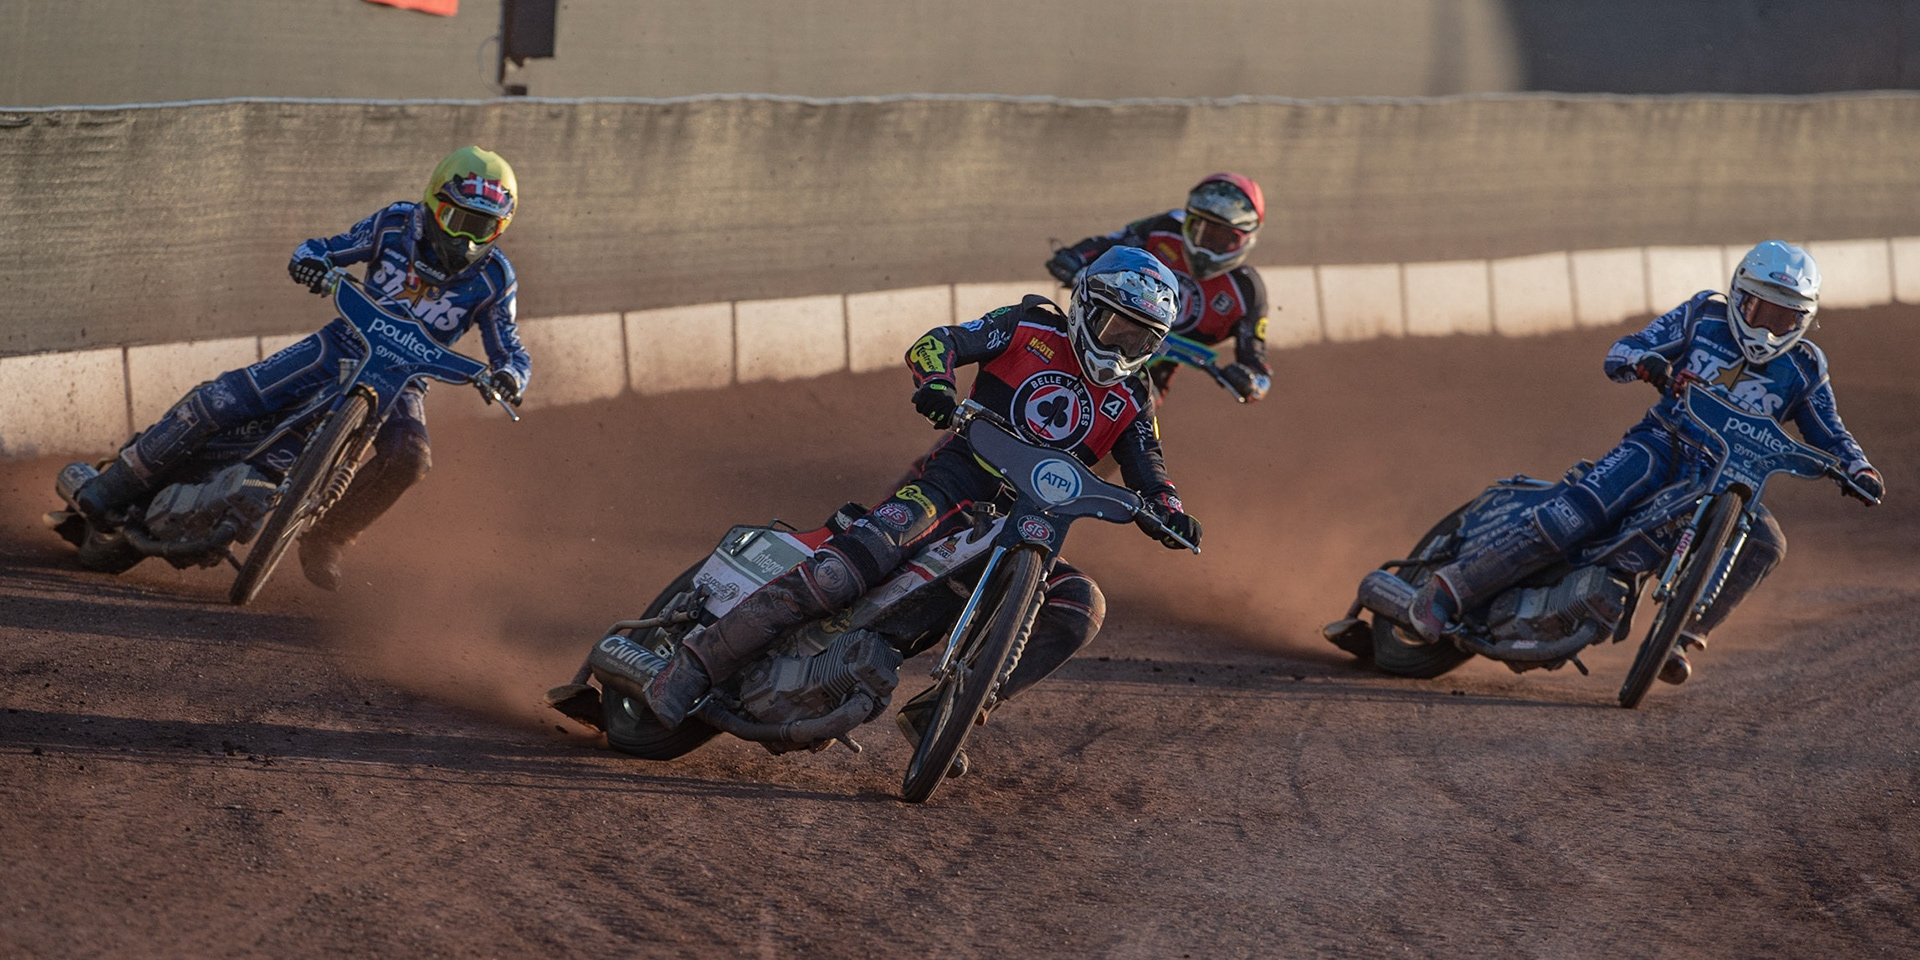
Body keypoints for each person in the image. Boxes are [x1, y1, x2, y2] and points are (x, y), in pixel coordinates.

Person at [643, 246, 1203, 774]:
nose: (1123, 347)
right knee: (842, 572)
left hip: (1028, 522)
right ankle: (692, 666)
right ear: (1085, 306)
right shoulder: (1029, 326)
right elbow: (939, 342)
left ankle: (945, 709)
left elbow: (1149, 466)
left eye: (1140, 339)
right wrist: (936, 385)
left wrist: (1169, 509)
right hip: (952, 485)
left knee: (1081, 605)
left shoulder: (1134, 399)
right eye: (1116, 328)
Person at [1405, 240, 1883, 683]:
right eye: (1761, 311)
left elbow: (1830, 430)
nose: (1768, 328)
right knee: (1581, 512)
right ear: (1740, 296)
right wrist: (1649, 364)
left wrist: (1858, 468)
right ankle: (1449, 588)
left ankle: (1682, 636)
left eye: (1784, 318)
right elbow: (1622, 350)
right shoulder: (1703, 316)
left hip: (1731, 478)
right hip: (1662, 445)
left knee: (1767, 543)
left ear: (1804, 319)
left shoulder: (1805, 367)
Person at [72, 146, 530, 590]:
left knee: (411, 459)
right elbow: (325, 248)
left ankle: (330, 538)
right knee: (221, 400)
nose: (468, 241)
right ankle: (117, 482)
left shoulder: (495, 278)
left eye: (484, 228)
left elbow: (510, 346)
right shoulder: (394, 223)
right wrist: (311, 262)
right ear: (433, 204)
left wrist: (510, 375)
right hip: (336, 346)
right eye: (459, 221)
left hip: (403, 379)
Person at [1046, 172, 1271, 403]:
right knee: (1047, 353)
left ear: (1246, 239)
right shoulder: (1165, 227)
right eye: (1199, 228)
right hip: (1104, 330)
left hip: (1149, 375)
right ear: (1187, 220)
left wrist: (1250, 381)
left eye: (1221, 238)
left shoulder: (1247, 291)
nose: (1206, 243)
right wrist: (1074, 258)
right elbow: (1112, 244)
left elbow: (1259, 371)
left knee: (1137, 409)